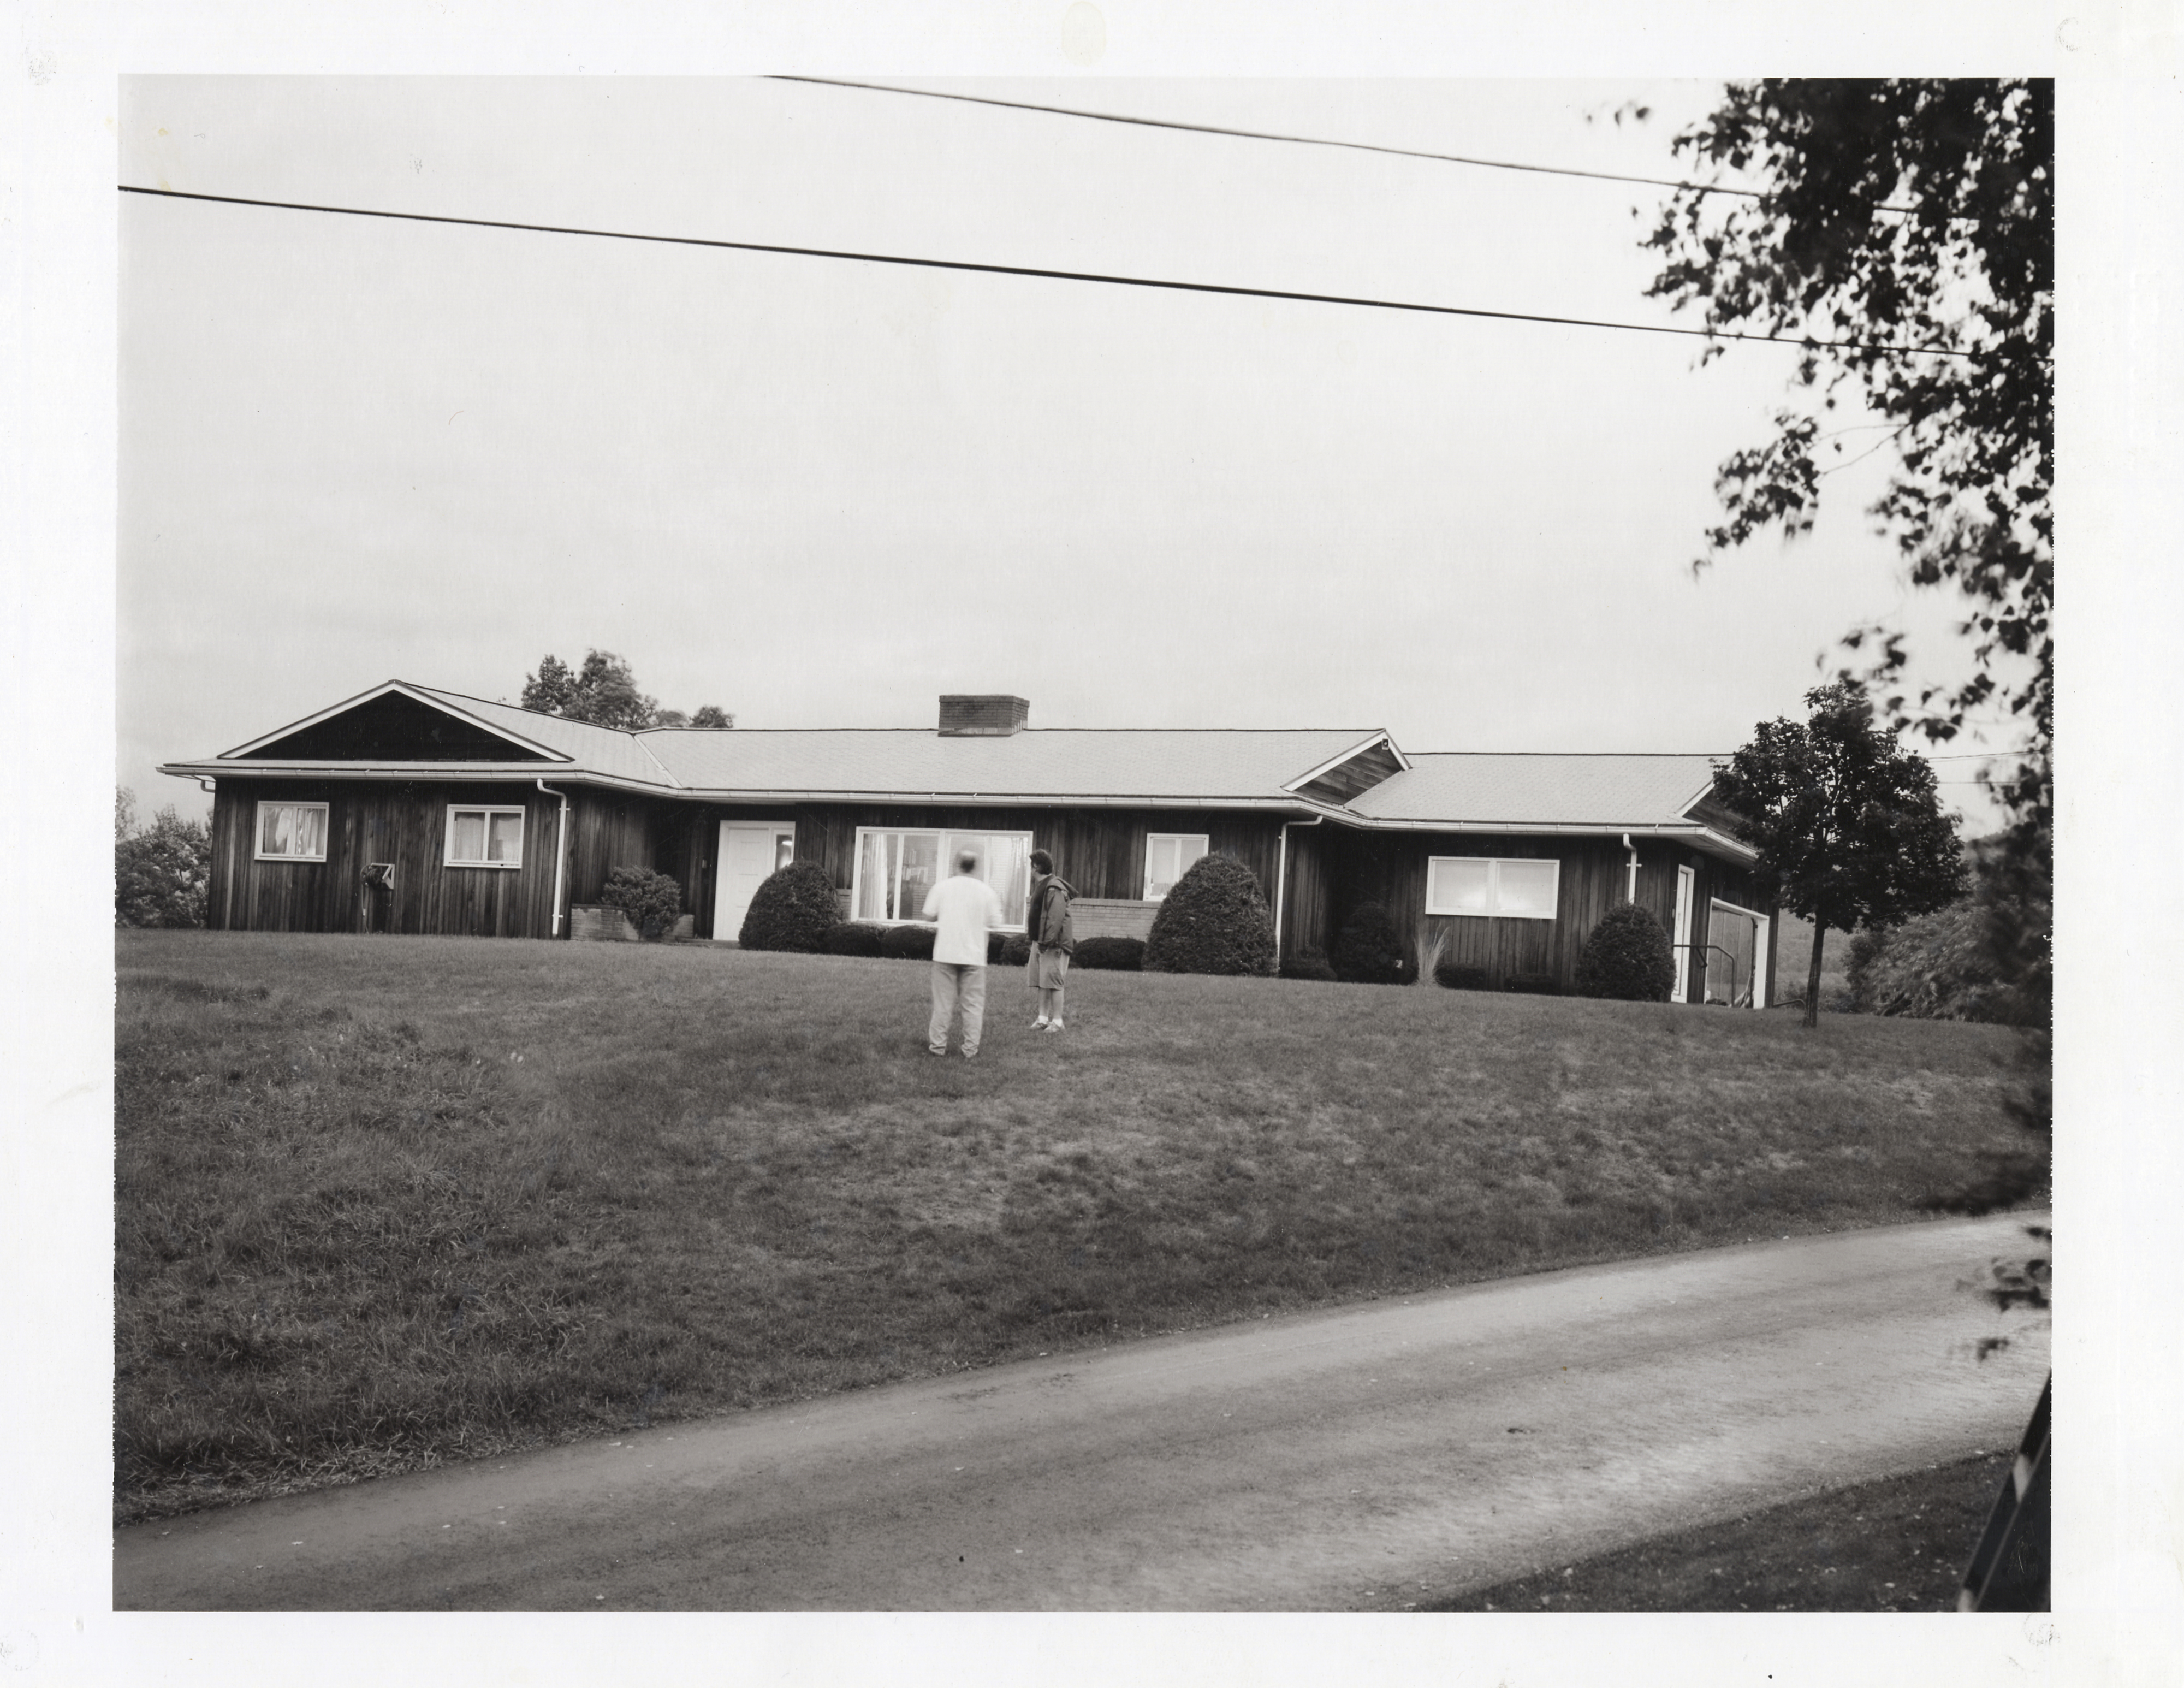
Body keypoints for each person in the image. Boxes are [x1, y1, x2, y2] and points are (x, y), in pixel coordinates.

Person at [921, 848, 1006, 1058]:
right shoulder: (986, 891)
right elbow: (996, 922)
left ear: (956, 865)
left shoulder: (942, 887)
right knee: (973, 1007)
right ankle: (970, 1050)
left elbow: (928, 916)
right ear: (975, 867)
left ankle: (938, 1047)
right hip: (974, 957)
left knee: (943, 1005)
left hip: (945, 954)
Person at [1025, 848, 1075, 1033]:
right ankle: (1043, 1019)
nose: (1031, 871)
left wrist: (1046, 943)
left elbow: (1055, 919)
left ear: (1036, 867)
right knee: (1042, 981)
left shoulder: (1054, 887)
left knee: (1054, 982)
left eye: (1032, 867)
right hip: (1040, 942)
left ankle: (1058, 1022)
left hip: (1053, 945)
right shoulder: (1043, 886)